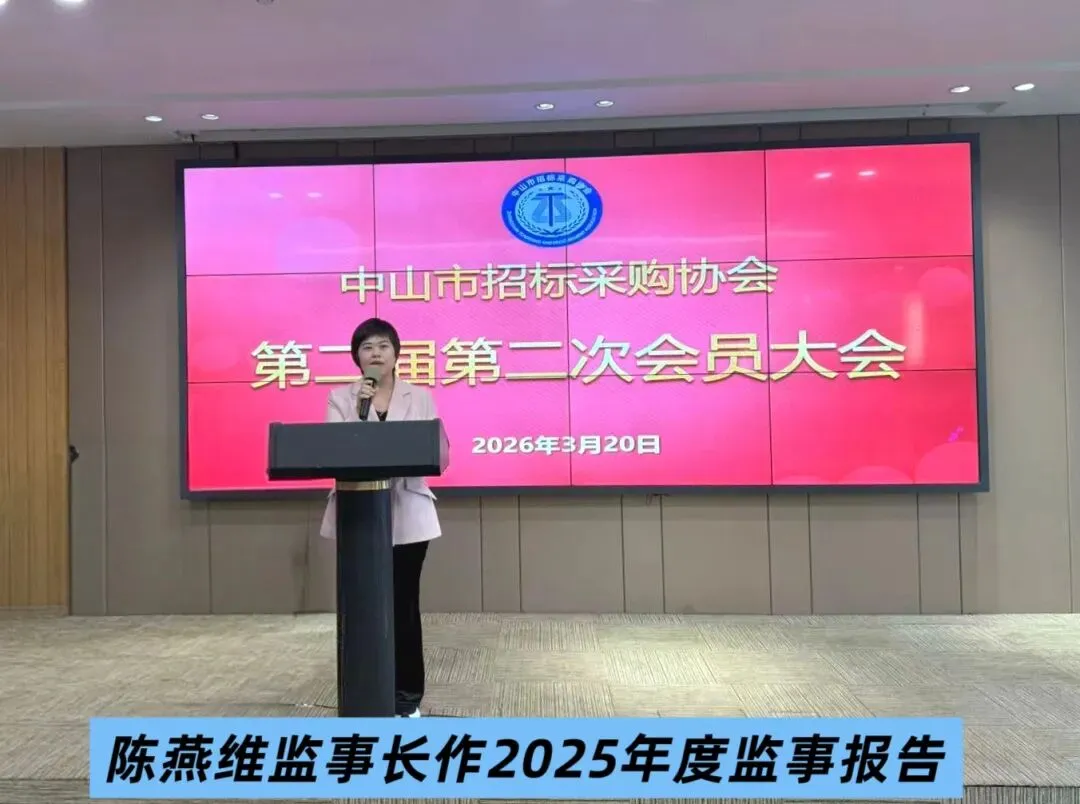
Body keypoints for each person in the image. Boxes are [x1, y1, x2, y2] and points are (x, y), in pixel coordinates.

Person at [319, 317, 445, 718]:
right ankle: (364, 691)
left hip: (408, 512)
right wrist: (361, 414)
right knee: (361, 606)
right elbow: (335, 449)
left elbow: (436, 447)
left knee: (403, 604)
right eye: (367, 347)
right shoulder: (341, 398)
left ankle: (406, 697)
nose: (376, 353)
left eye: (383, 346)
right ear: (356, 356)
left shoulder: (419, 397)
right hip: (358, 513)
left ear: (396, 354)